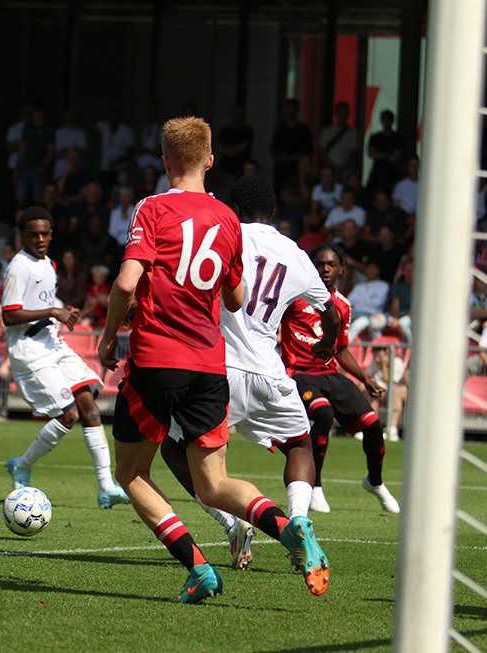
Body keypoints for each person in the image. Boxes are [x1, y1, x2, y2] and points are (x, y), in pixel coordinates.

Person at [98, 116, 329, 603]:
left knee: (131, 474)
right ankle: (289, 530)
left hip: (158, 359)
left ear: (164, 162)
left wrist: (107, 337)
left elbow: (124, 282)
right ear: (209, 160)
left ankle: (199, 568)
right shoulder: (227, 219)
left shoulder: (152, 207)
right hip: (209, 366)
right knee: (215, 482)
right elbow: (237, 297)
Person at [155, 172, 340, 571]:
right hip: (271, 374)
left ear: (233, 209)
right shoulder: (295, 253)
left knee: (173, 447)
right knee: (300, 445)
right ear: (273, 212)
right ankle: (301, 519)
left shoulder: (224, 234)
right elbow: (331, 310)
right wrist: (327, 344)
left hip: (217, 374)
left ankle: (230, 521)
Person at [2, 206, 129, 509]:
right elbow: (9, 315)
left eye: (46, 233)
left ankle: (106, 487)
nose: (41, 239)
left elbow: (43, 302)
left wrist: (63, 310)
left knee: (91, 411)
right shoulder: (18, 267)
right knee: (68, 415)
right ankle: (22, 464)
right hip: (30, 351)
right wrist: (52, 311)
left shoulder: (48, 263)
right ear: (23, 236)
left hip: (53, 344)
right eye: (34, 234)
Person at [279, 242, 401, 515]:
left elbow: (342, 349)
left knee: (372, 425)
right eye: (319, 263)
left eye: (331, 264)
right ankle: (316, 487)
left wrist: (364, 378)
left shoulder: (343, 305)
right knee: (322, 414)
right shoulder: (294, 298)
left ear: (342, 269)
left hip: (331, 374)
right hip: (299, 374)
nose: (324, 268)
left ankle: (375, 482)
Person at [318, 101, 360, 182]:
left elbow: (352, 153)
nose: (342, 116)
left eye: (344, 113)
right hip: (328, 169)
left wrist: (341, 168)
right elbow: (322, 150)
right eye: (339, 113)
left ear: (347, 114)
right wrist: (331, 167)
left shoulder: (352, 133)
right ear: (335, 113)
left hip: (345, 170)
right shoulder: (327, 131)